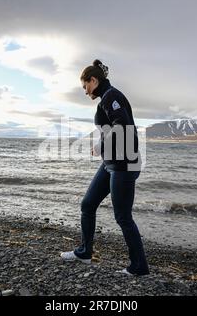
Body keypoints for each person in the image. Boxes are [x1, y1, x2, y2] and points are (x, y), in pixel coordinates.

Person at [60, 59, 149, 276]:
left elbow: (122, 124)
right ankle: (84, 253)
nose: (85, 91)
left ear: (94, 80)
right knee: (88, 204)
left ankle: (139, 267)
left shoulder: (112, 96)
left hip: (124, 165)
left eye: (85, 86)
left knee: (123, 217)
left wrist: (101, 143)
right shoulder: (105, 98)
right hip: (110, 164)